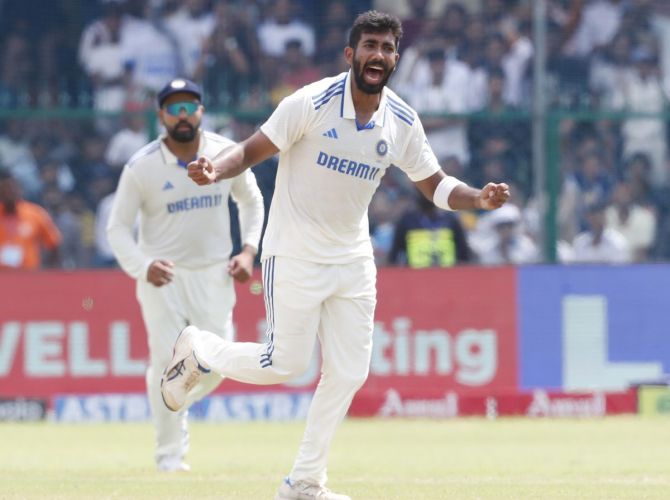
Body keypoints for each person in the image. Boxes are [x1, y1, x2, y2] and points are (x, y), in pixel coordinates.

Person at [161, 11, 509, 499]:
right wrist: (214, 170)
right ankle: (202, 349)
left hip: (352, 258)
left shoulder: (402, 119)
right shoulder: (311, 102)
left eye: (388, 48)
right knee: (284, 364)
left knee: (349, 372)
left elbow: (435, 185)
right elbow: (248, 150)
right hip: (295, 252)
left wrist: (478, 198)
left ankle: (304, 482)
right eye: (370, 45)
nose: (379, 56)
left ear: (395, 58)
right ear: (351, 54)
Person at [106, 78, 264, 472]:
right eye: (173, 108)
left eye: (189, 106)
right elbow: (117, 229)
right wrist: (143, 267)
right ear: (160, 115)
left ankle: (174, 401)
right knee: (164, 361)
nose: (182, 115)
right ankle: (169, 456)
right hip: (164, 277)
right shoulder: (141, 166)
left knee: (217, 360)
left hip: (214, 274)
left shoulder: (225, 153)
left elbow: (252, 201)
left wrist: (248, 250)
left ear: (201, 111)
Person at [0, 168, 61, 269]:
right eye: (5, 190)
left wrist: (49, 270)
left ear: (19, 190)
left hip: (28, 275)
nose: (8, 193)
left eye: (11, 189)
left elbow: (54, 243)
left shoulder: (35, 214)